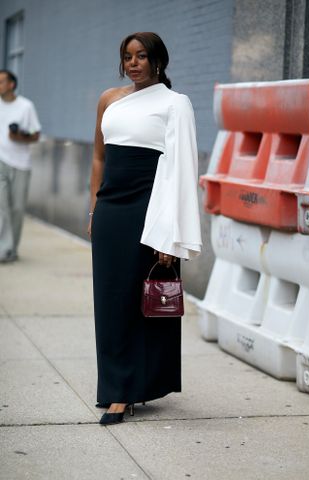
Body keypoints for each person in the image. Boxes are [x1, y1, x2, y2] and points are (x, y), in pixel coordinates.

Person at [88, 32, 202, 425]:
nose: (133, 63)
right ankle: (117, 383)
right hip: (111, 211)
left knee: (141, 303)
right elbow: (99, 159)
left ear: (158, 61)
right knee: (110, 301)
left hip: (149, 208)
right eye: (127, 56)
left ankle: (125, 393)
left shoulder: (175, 104)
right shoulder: (109, 100)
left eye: (141, 56)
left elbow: (183, 170)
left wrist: (170, 234)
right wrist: (93, 210)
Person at [0, 70, 41, 263]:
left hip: (21, 164)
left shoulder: (26, 106)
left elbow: (36, 134)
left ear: (11, 85)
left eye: (1, 82)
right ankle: (4, 250)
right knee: (2, 208)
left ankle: (12, 248)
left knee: (17, 208)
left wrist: (18, 136)